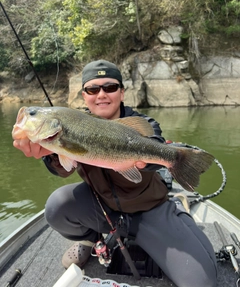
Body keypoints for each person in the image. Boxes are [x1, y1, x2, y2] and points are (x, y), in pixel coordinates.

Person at [13, 60, 217, 287]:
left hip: (149, 210)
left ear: (121, 92)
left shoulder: (140, 122)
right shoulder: (71, 124)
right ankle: (91, 240)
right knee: (56, 207)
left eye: (109, 87)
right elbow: (64, 168)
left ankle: (176, 214)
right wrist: (49, 153)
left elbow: (154, 143)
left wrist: (153, 160)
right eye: (93, 89)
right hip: (102, 209)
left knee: (202, 281)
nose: (101, 94)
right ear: (84, 95)